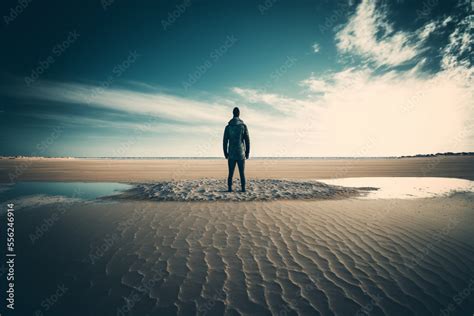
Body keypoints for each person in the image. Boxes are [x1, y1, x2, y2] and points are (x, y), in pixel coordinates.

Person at [223, 107, 250, 192]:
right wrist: (247, 152)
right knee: (242, 173)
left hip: (231, 153)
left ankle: (230, 188)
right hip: (241, 153)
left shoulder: (228, 127)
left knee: (230, 173)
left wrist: (225, 153)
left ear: (233, 114)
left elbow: (225, 141)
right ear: (239, 114)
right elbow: (247, 140)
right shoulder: (243, 126)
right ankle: (243, 188)